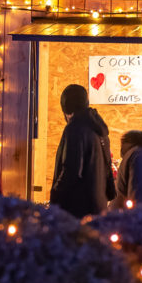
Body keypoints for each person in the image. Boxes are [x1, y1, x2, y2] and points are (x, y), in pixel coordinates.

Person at [49, 84, 115, 218]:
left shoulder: (75, 128)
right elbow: (108, 167)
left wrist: (54, 198)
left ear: (66, 107)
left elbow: (71, 171)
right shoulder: (100, 130)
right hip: (98, 206)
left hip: (77, 210)